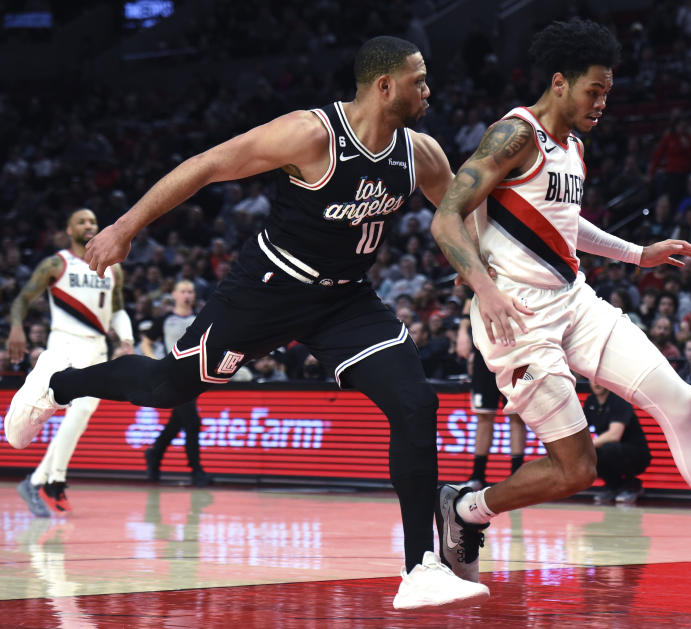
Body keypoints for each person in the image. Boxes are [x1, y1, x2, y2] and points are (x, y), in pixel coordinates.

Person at [3, 36, 487, 610]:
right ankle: (59, 384)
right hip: (268, 289)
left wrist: (472, 267)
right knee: (165, 387)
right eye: (418, 81)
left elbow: (456, 211)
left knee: (415, 403)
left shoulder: (422, 154)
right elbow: (208, 165)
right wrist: (126, 226)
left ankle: (418, 568)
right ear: (385, 87)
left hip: (345, 301)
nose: (428, 91)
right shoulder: (311, 135)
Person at [429, 17, 691, 598]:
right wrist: (483, 286)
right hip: (516, 320)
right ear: (559, 82)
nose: (603, 102)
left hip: (573, 302)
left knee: (683, 401)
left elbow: (561, 223)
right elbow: (446, 214)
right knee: (577, 470)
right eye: (593, 91)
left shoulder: (573, 147)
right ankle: (468, 508)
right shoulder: (514, 134)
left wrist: (637, 253)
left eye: (608, 91)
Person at [6, 209, 134, 517]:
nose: (89, 224)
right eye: (82, 221)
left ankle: (41, 480)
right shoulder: (56, 263)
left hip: (98, 347)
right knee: (76, 413)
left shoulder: (113, 268)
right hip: (65, 344)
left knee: (82, 415)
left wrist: (126, 340)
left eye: (93, 220)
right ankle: (51, 480)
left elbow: (117, 309)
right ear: (68, 229)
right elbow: (23, 299)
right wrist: (16, 326)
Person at [139, 279, 211, 487]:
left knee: (176, 423)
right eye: (183, 291)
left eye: (190, 291)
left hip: (194, 377)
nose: (187, 295)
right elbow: (146, 341)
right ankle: (196, 471)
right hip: (171, 376)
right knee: (192, 422)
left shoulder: (201, 319)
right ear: (175, 295)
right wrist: (154, 361)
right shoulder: (165, 319)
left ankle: (154, 454)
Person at [455, 295, 526, 489]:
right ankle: (477, 475)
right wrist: (462, 332)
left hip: (514, 351)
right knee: (484, 416)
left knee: (516, 415)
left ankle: (517, 475)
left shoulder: (518, 278)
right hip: (485, 352)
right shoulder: (484, 277)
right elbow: (469, 302)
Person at [584, 380, 651, 504]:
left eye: (599, 380)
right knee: (587, 456)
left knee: (608, 449)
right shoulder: (590, 402)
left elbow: (614, 435)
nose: (596, 383)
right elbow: (581, 429)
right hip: (609, 450)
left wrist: (586, 447)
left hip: (636, 454)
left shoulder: (619, 400)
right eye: (592, 380)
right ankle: (614, 486)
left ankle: (632, 486)